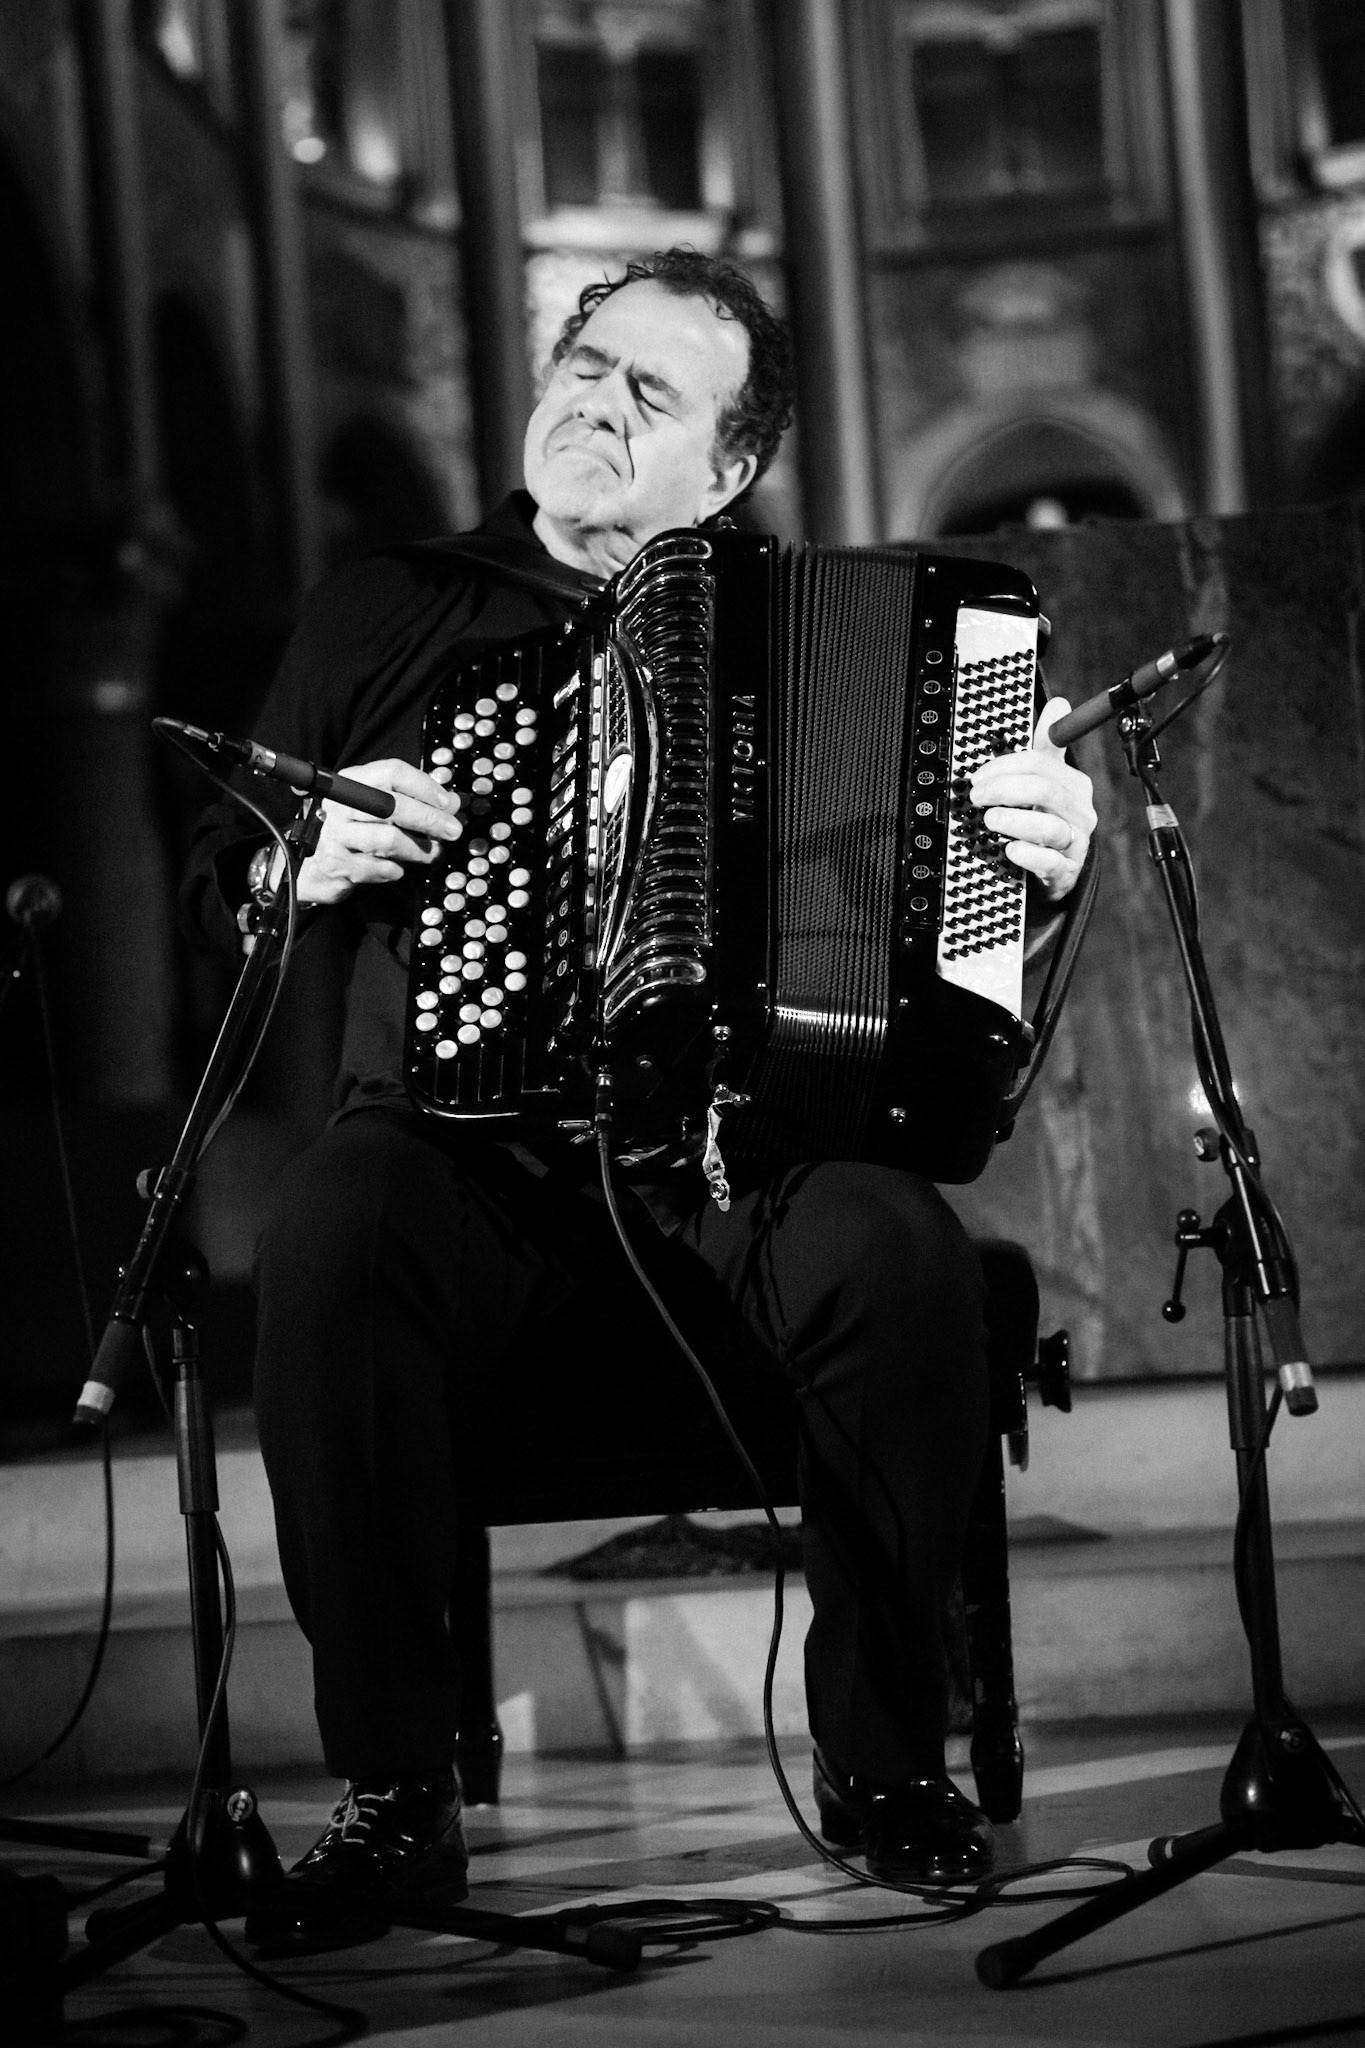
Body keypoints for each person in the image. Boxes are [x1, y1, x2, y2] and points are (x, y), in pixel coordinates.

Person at [184, 249, 1096, 1934]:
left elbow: (951, 960)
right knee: (332, 1214)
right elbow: (213, 889)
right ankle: (394, 1792)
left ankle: (888, 1763)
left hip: (730, 1161)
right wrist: (294, 865)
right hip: (465, 1168)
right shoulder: (389, 607)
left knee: (897, 1246)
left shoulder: (834, 630)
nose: (591, 404)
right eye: (583, 364)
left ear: (729, 469)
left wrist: (1036, 872)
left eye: (647, 393)